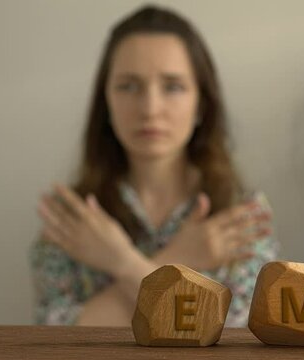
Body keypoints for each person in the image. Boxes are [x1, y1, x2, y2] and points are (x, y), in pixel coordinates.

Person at [29, 4, 278, 327]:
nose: (150, 108)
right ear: (106, 101)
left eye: (172, 86)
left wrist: (120, 261)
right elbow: (58, 338)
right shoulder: (71, 218)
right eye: (129, 86)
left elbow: (232, 336)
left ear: (201, 103)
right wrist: (179, 259)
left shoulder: (241, 212)